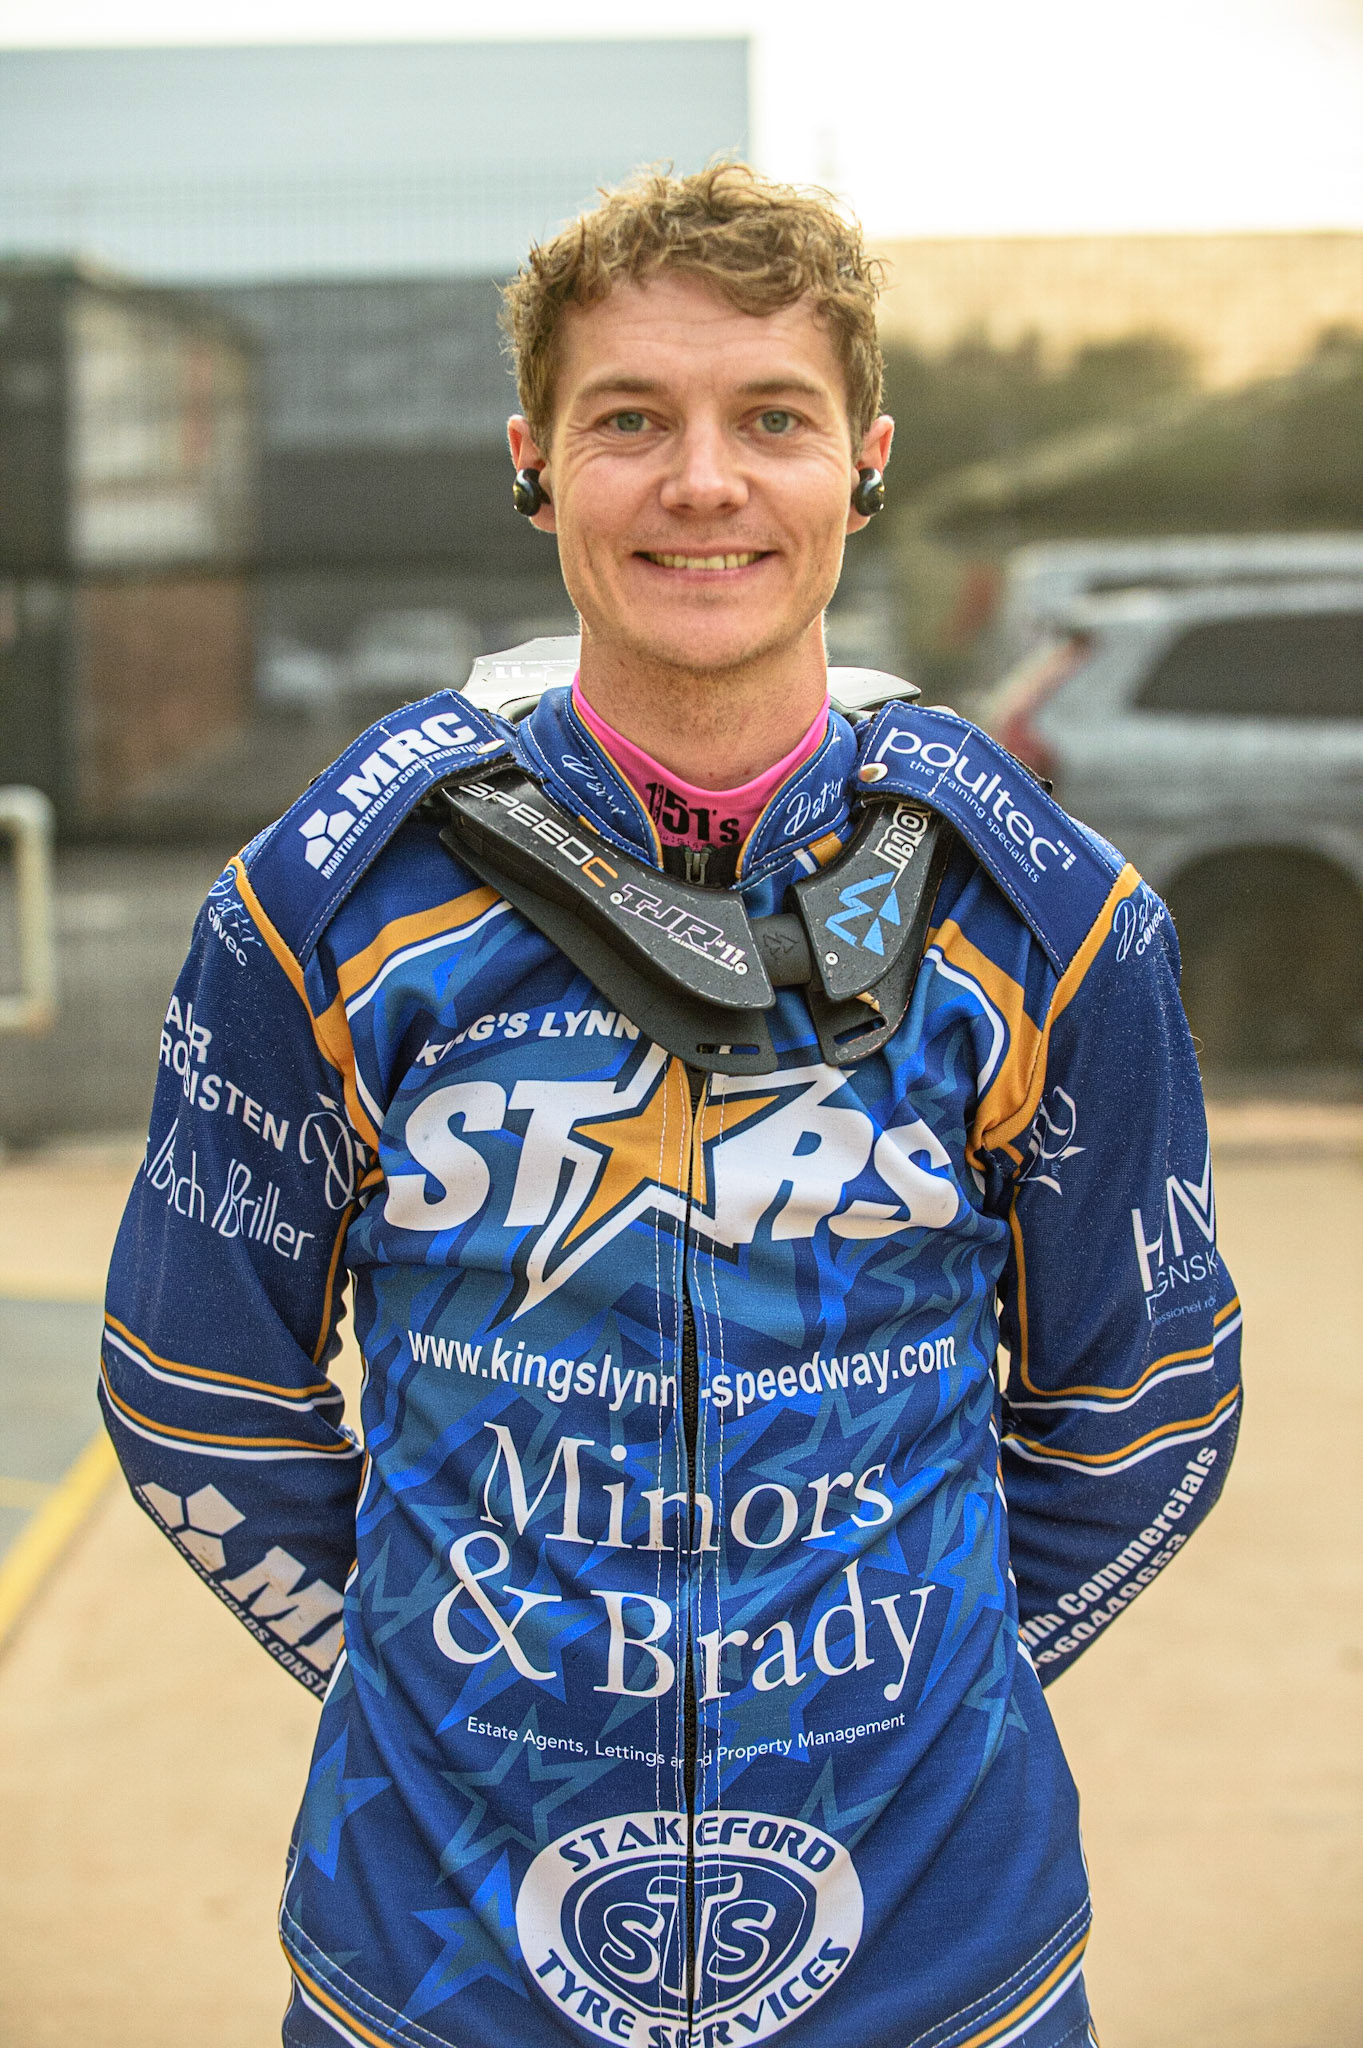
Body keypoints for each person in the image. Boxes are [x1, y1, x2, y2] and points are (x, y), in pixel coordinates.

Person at [102, 164, 1241, 2048]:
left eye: (770, 420)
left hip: (942, 1958)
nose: (703, 482)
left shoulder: (1046, 918)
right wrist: (431, 1696)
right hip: (439, 1963)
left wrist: (915, 1707)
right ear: (534, 464)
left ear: (861, 463)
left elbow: (1146, 1404)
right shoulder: (330, 903)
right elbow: (194, 1394)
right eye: (629, 419)